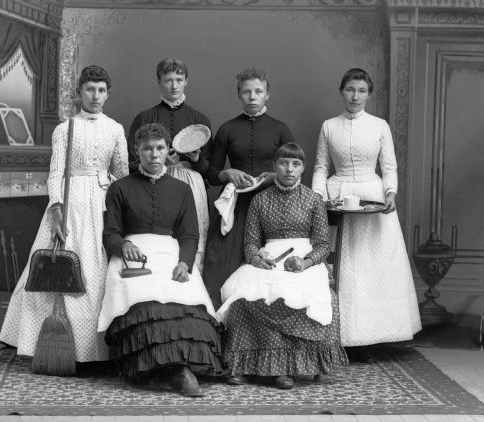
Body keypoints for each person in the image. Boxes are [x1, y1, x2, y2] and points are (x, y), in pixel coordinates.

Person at [0, 65, 129, 362]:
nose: (95, 96)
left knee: (98, 270)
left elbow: (122, 176)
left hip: (104, 202)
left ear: (108, 94)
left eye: (101, 90)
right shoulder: (65, 128)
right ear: (79, 92)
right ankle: (55, 346)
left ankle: (98, 351)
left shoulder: (115, 129)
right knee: (62, 267)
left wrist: (122, 213)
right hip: (70, 204)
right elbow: (56, 173)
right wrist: (57, 210)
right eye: (89, 89)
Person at [98, 123, 223, 397]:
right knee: (145, 301)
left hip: (171, 254)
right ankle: (173, 372)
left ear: (168, 151)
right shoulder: (120, 188)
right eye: (147, 149)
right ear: (136, 151)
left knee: (185, 300)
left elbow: (190, 234)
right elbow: (111, 233)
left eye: (159, 148)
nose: (154, 155)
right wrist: (124, 244)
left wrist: (184, 264)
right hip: (132, 258)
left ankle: (176, 369)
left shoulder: (181, 189)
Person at [217, 142, 348, 389]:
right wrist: (257, 258)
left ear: (303, 168)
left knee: (294, 297)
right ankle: (244, 365)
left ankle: (283, 368)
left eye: (296, 164)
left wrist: (305, 261)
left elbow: (322, 244)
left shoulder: (313, 200)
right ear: (274, 166)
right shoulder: (260, 200)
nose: (289, 169)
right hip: (269, 258)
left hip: (306, 261)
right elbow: (251, 243)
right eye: (283, 163)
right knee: (245, 297)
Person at [311, 68, 421, 349]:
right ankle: (340, 335)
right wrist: (317, 198)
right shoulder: (329, 126)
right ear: (341, 92)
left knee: (372, 263)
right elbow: (322, 166)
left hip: (372, 193)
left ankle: (373, 339)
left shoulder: (379, 125)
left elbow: (389, 166)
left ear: (368, 94)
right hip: (337, 194)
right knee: (343, 264)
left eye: (361, 90)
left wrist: (390, 192)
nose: (355, 96)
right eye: (350, 89)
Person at [203, 68, 294, 307]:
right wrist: (228, 173)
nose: (252, 97)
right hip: (237, 205)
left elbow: (296, 168)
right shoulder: (227, 129)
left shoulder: (280, 128)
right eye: (246, 92)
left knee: (269, 263)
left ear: (267, 94)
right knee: (223, 261)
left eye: (258, 91)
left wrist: (275, 175)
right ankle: (222, 320)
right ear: (238, 95)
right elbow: (212, 174)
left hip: (272, 205)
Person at [126, 58, 212, 271]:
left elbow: (209, 170)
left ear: (186, 81)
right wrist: (161, 163)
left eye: (179, 79)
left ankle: (192, 283)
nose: (174, 86)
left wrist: (195, 160)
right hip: (150, 183)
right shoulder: (145, 117)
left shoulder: (199, 120)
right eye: (168, 80)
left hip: (190, 182)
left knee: (193, 236)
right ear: (159, 82)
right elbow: (129, 163)